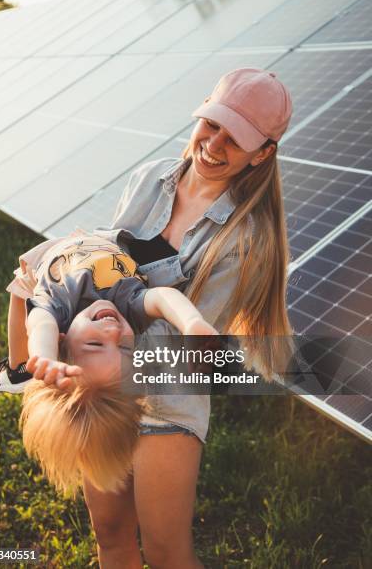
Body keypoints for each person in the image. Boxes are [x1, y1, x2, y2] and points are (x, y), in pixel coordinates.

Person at [76, 67, 293, 568]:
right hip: (105, 382)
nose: (213, 144)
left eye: (235, 139)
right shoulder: (147, 178)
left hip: (167, 401)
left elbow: (178, 345)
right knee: (109, 534)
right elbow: (105, 264)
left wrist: (94, 322)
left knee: (166, 551)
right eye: (212, 124)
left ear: (262, 154)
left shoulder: (247, 240)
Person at [0, 231, 218, 496]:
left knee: (22, 287)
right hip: (99, 240)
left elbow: (40, 324)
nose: (112, 333)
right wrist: (190, 322)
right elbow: (162, 298)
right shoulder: (129, 305)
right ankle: (20, 370)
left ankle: (19, 368)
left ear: (62, 339)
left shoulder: (59, 304)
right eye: (124, 347)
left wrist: (44, 356)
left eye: (95, 344)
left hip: (50, 254)